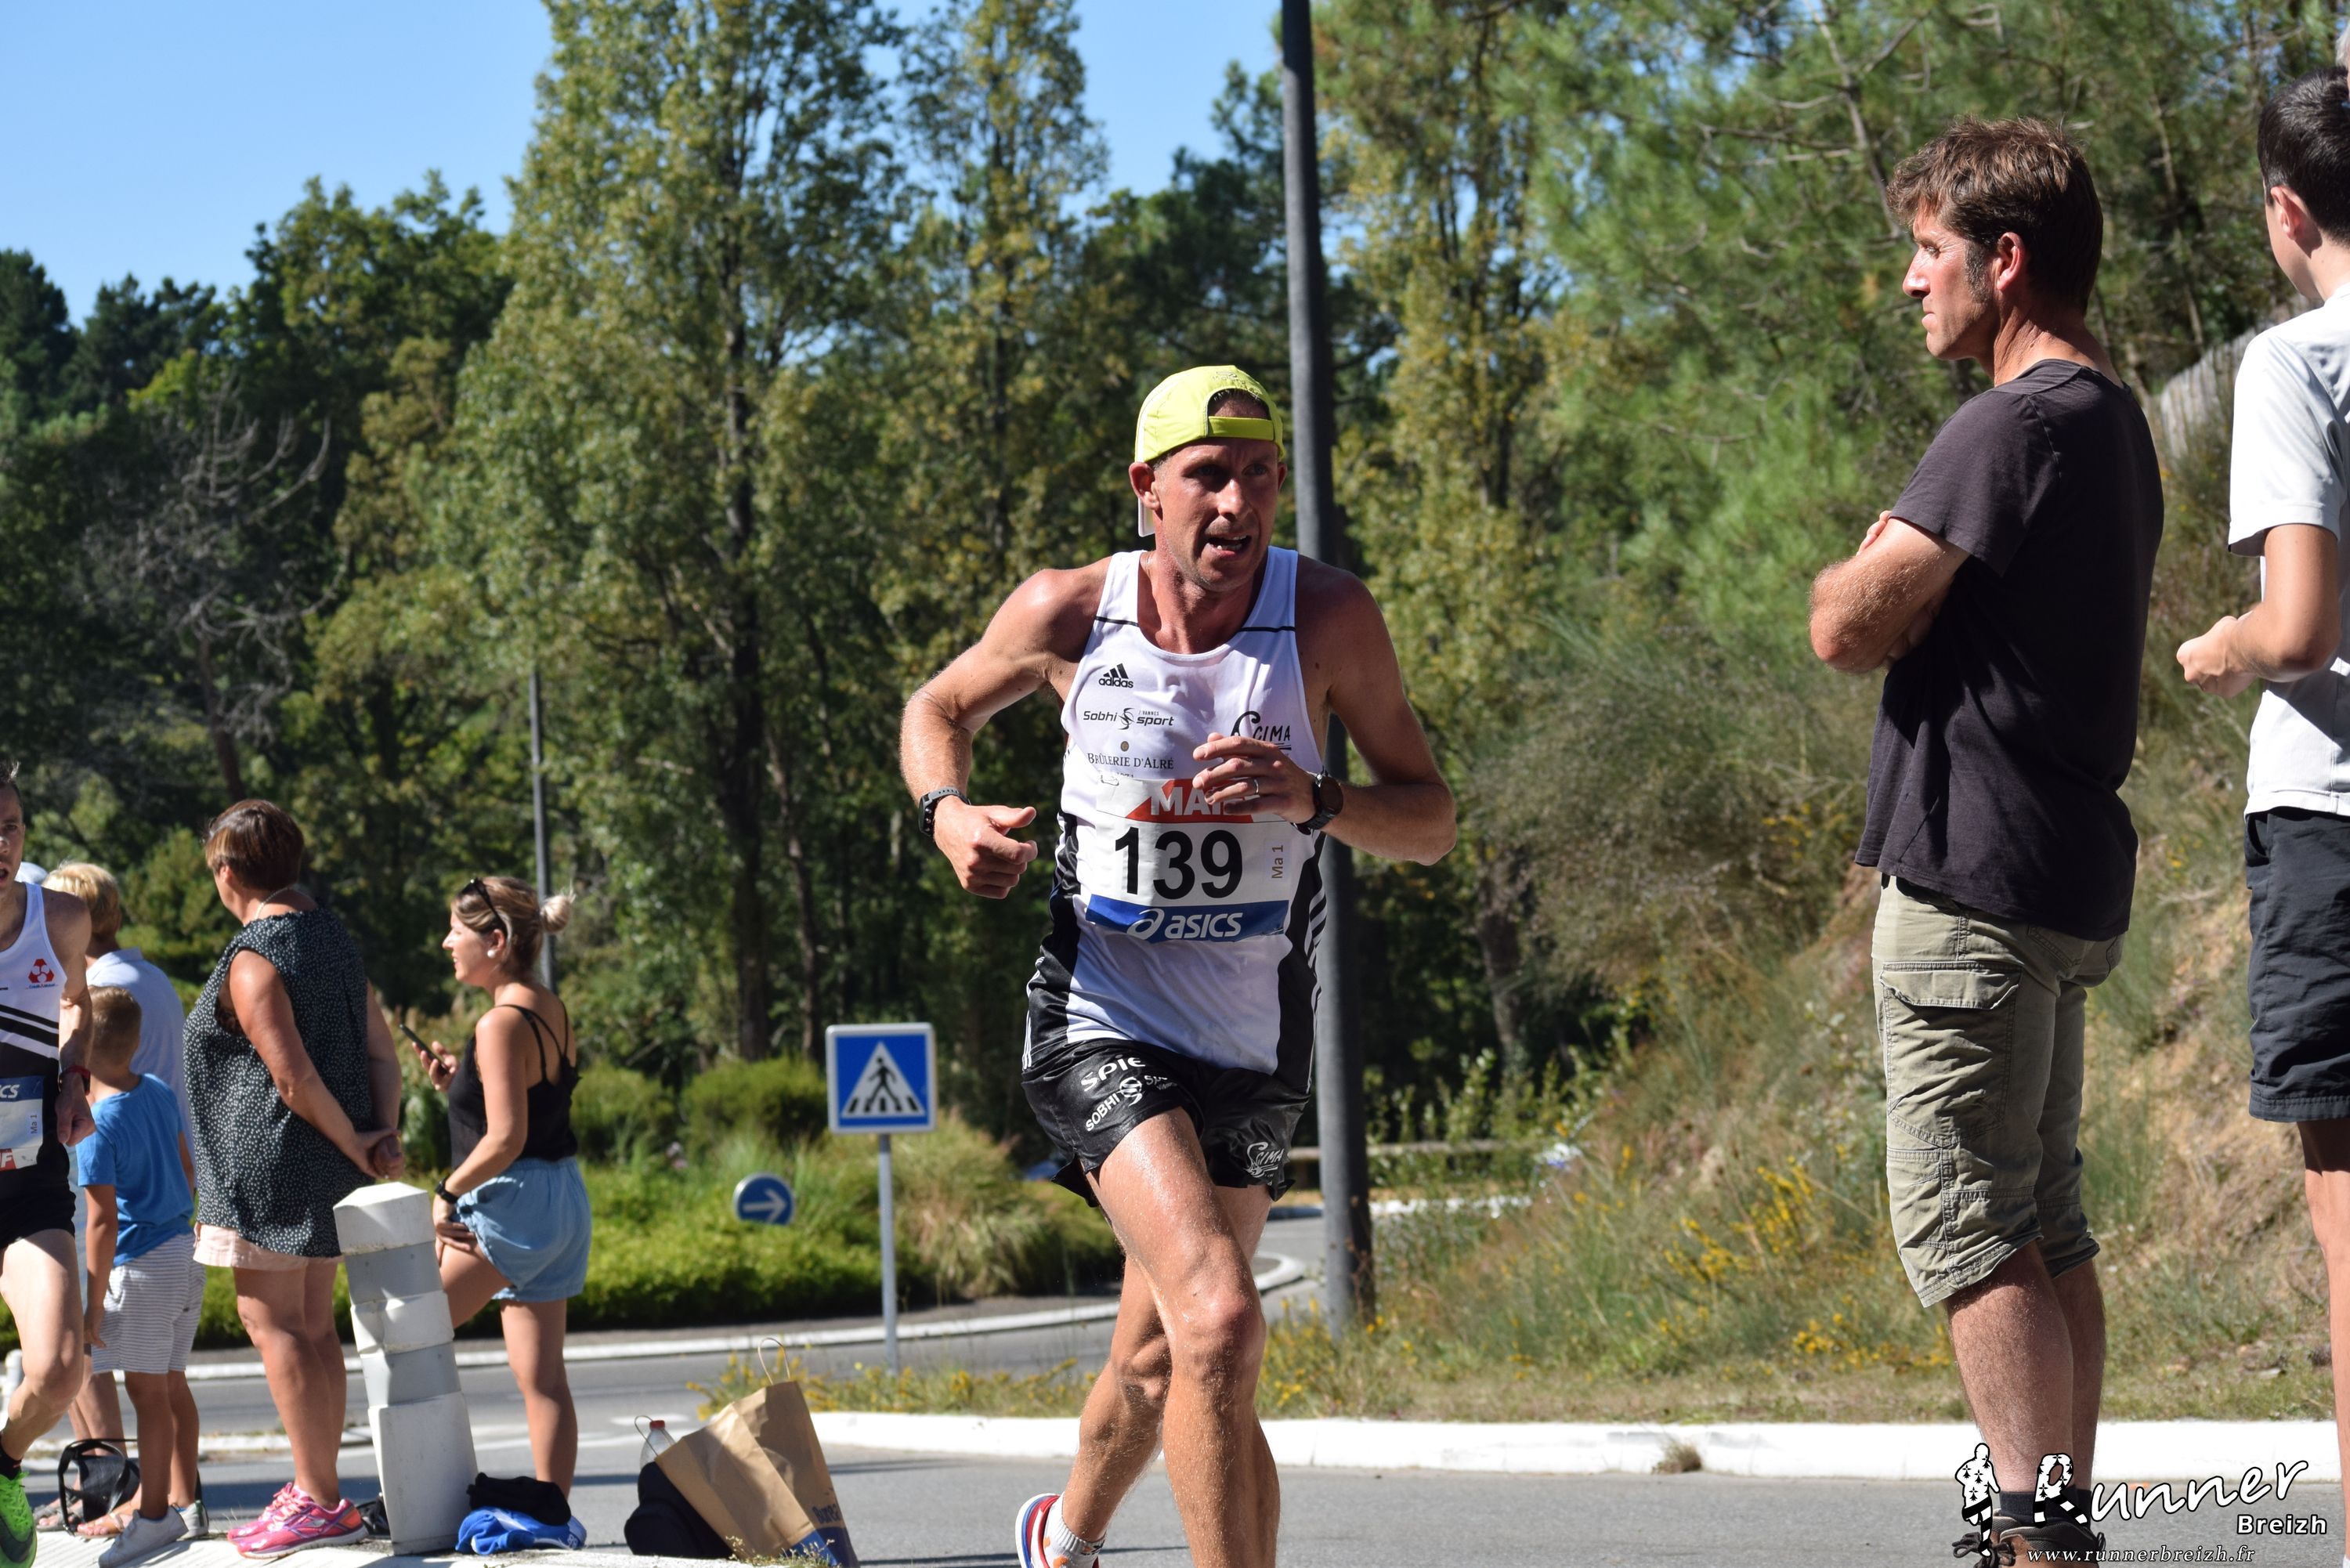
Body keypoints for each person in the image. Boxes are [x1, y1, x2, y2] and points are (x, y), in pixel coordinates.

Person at [901, 366, 1456, 1568]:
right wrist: (949, 815)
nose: (1237, 503)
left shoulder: (1328, 616)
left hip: (1253, 1041)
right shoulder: (1068, 610)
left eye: (1260, 475)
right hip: (1101, 1014)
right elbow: (936, 706)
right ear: (1148, 488)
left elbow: (1432, 820)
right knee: (1221, 1315)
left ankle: (1064, 1535)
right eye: (1209, 475)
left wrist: (1320, 797)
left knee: (1174, 1357)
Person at [1807, 120, 2161, 1565]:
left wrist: (1870, 565)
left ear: (2004, 262)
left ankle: (2035, 1534)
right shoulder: (2111, 418)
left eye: (1929, 250)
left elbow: (1842, 625)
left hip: (1977, 883)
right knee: (2046, 1224)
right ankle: (2057, 1524)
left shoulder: (2007, 424)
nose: (1911, 280)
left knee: (1968, 1226)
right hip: (2059, 875)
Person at [2175, 65, 2350, 1557]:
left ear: (2289, 211)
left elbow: (2300, 626)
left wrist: (2220, 644)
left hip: (2335, 821)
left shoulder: (2297, 363)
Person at [181, 800, 404, 1559]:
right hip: (329, 1168)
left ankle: (317, 1496)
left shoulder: (255, 956)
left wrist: (355, 1140)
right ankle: (323, 1490)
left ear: (227, 871)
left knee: (274, 1326)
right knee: (313, 1328)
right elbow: (381, 1053)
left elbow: (292, 1079)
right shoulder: (334, 940)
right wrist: (377, 1135)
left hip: (268, 1173)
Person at [405, 876, 585, 1498]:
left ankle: (421, 1498)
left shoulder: (499, 1024)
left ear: (496, 941)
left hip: (511, 1204)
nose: (445, 942)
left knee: (406, 1337)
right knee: (544, 1378)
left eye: (456, 930)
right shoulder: (547, 1007)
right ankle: (553, 1511)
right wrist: (459, 1083)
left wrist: (446, 1192)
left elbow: (507, 1138)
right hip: (561, 1200)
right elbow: (526, 1102)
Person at [37, 864, 189, 1480]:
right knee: (166, 1383)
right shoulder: (151, 981)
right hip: (168, 1209)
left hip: (120, 1206)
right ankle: (176, 1495)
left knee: (85, 1345)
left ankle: (114, 1485)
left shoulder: (96, 992)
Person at [0, 761, 97, 1568]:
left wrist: (72, 1076)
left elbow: (76, 1004)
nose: (1, 846)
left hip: (28, 1179)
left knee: (62, 1367)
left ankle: (2, 1463)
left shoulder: (58, 917)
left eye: (10, 829)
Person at [74, 988, 204, 1568]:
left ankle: (153, 1517)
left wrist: (92, 1303)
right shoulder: (156, 1090)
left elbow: (101, 1222)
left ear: (82, 1047)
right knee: (172, 1387)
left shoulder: (95, 1126)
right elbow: (186, 1169)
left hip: (143, 1265)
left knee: (146, 1396)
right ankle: (185, 1502)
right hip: (184, 1251)